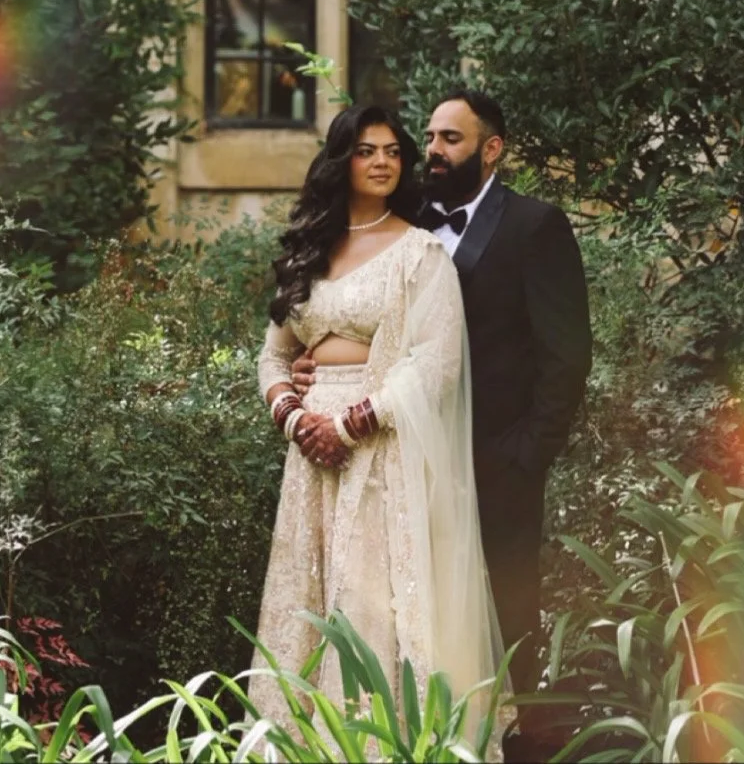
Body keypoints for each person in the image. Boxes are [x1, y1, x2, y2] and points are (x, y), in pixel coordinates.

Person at [293, 87, 591, 758]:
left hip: (494, 463)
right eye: (427, 137)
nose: (431, 151)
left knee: (503, 620)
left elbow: (566, 355)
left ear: (492, 148)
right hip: (399, 460)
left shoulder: (534, 226)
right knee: (409, 617)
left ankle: (508, 749)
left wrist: (527, 451)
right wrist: (317, 368)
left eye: (449, 139)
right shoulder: (407, 222)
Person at [252, 102, 509, 755]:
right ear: (343, 158)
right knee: (308, 608)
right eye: (368, 150)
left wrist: (349, 422)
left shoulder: (420, 253)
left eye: (394, 150)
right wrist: (293, 415)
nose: (384, 161)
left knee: (372, 610)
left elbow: (436, 362)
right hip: (309, 457)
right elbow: (273, 354)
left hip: (381, 450)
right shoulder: (309, 249)